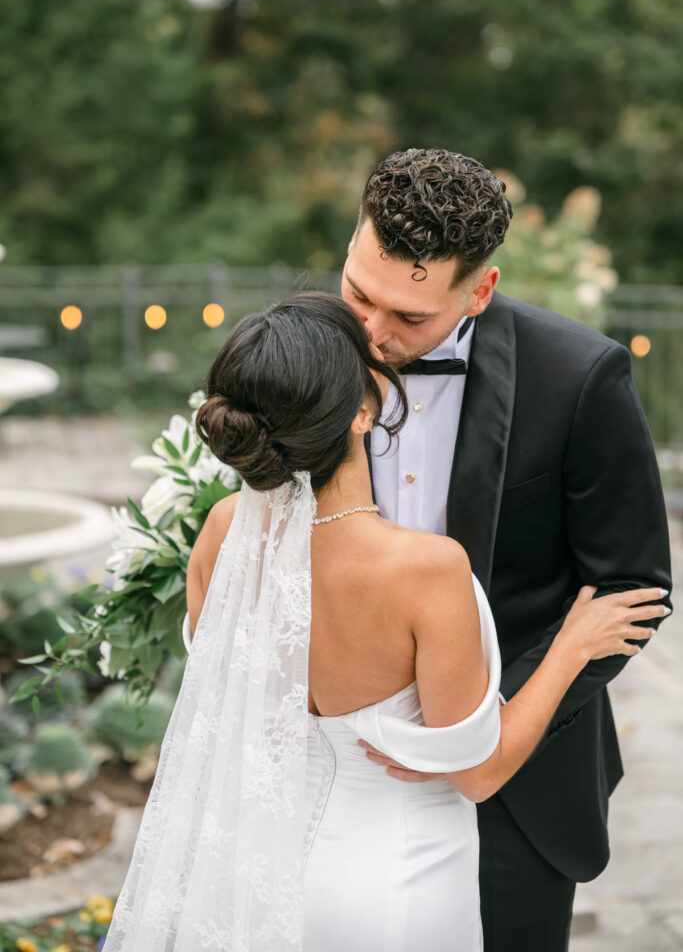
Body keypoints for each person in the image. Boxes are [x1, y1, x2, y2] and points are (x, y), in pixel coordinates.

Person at [101, 293, 669, 952]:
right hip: (395, 884)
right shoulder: (423, 571)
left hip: (262, 875)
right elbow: (478, 774)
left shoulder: (223, 530)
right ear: (363, 410)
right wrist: (571, 646)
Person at [340, 148, 673, 951]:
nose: (373, 335)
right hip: (341, 763)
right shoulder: (309, 348)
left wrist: (483, 727)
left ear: (478, 289)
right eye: (358, 294)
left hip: (515, 782)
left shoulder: (580, 378)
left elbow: (631, 587)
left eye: (410, 319)